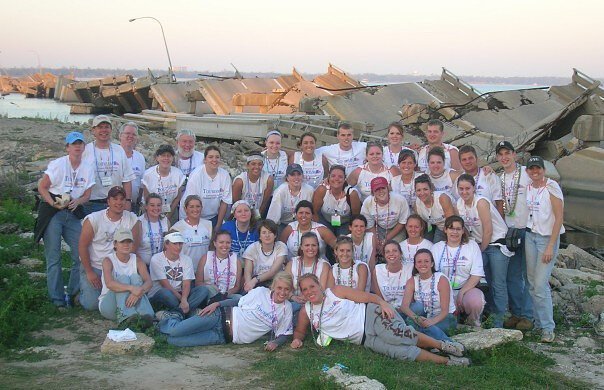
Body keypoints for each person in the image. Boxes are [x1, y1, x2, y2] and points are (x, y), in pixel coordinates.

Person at [291, 274, 469, 366]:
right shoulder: (306, 311)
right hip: (364, 339)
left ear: (319, 285)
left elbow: (367, 296)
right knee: (400, 353)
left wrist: (382, 303)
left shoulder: (335, 291)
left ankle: (443, 345)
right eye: (304, 290)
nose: (309, 291)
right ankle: (449, 362)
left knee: (396, 335)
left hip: (371, 315)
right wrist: (297, 339)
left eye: (312, 286)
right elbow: (300, 330)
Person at [157, 271, 294, 350]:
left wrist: (275, 343)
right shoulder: (261, 292)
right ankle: (175, 315)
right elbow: (238, 302)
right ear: (274, 287)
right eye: (280, 288)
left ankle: (175, 322)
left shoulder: (286, 309)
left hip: (223, 337)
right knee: (175, 331)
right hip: (218, 317)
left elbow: (285, 334)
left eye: (286, 289)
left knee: (173, 341)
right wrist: (217, 304)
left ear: (290, 291)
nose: (282, 292)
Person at [36, 131, 94, 308]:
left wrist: (79, 201)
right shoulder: (58, 164)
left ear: (84, 147)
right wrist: (52, 203)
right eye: (73, 144)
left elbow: (87, 194)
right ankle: (57, 299)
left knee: (81, 254)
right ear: (67, 147)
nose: (77, 147)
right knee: (54, 257)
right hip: (54, 212)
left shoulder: (87, 166)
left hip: (73, 211)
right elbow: (42, 186)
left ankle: (72, 293)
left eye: (80, 144)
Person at [457, 173, 510, 328]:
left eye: (467, 188)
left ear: (474, 188)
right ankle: (482, 313)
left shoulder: (480, 202)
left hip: (495, 243)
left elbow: (488, 230)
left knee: (497, 283)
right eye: (461, 189)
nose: (464, 192)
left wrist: (479, 252)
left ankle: (498, 321)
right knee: (479, 280)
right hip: (478, 244)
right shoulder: (459, 204)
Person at [78, 186, 141, 311]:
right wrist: (89, 272)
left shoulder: (132, 219)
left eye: (122, 199)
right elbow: (82, 246)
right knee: (91, 305)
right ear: (108, 201)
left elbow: (134, 247)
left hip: (118, 267)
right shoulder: (93, 219)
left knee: (125, 297)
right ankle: (80, 293)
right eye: (115, 199)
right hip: (96, 266)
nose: (119, 202)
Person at [524, 156, 564, 343]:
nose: (535, 172)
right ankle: (538, 323)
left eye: (538, 168)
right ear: (528, 171)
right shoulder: (529, 187)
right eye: (531, 169)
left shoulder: (552, 187)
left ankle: (548, 328)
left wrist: (550, 245)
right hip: (530, 236)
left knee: (541, 284)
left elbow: (559, 218)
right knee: (532, 283)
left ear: (543, 169)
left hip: (547, 239)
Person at [496, 141, 533, 331]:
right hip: (509, 232)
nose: (504, 157)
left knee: (528, 275)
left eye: (507, 153)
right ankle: (517, 313)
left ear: (514, 154)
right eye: (501, 154)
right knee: (512, 275)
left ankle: (528, 316)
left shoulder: (527, 174)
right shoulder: (498, 178)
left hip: (527, 229)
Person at [432, 216, 486, 327]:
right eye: (451, 228)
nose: (454, 232)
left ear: (463, 231)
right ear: (445, 230)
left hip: (466, 289)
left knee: (475, 302)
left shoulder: (472, 246)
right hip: (443, 291)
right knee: (449, 322)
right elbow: (433, 274)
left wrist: (461, 293)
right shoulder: (437, 248)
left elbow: (476, 274)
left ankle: (472, 324)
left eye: (458, 229)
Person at [98, 229, 154, 326]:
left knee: (135, 278)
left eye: (129, 242)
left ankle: (146, 315)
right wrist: (132, 288)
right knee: (123, 278)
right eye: (122, 242)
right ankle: (127, 318)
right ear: (115, 244)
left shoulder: (137, 260)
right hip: (110, 305)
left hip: (133, 302)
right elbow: (109, 284)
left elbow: (149, 282)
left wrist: (138, 292)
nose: (126, 245)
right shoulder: (108, 260)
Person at [82, 115, 135, 215]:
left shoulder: (119, 150)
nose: (104, 130)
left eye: (106, 127)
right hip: (91, 204)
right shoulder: (85, 151)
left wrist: (127, 202)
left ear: (111, 130)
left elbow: (127, 180)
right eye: (100, 127)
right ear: (93, 130)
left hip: (116, 203)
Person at [400, 249, 456, 341]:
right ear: (415, 265)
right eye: (419, 262)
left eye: (426, 261)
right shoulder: (412, 281)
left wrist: (430, 322)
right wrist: (416, 319)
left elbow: (445, 311)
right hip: (424, 317)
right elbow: (404, 307)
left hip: (444, 317)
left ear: (432, 264)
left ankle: (448, 344)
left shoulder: (441, 280)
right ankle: (425, 338)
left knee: (426, 328)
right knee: (417, 307)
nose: (423, 264)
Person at [148, 232, 208, 314]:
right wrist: (182, 301)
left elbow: (186, 283)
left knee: (203, 290)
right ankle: (186, 312)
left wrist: (184, 300)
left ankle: (179, 312)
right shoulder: (156, 259)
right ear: (166, 244)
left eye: (180, 243)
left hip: (181, 293)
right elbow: (165, 284)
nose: (178, 247)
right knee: (165, 293)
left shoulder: (187, 259)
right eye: (175, 244)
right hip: (162, 293)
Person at [180, 145, 232, 229]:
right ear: (205, 160)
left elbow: (224, 202)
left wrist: (218, 225)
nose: (214, 160)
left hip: (214, 216)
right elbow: (191, 203)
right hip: (194, 215)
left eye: (217, 157)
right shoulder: (196, 175)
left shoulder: (225, 175)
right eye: (210, 157)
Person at [361, 177, 409, 252]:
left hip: (396, 228)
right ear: (372, 192)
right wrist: (376, 241)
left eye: (383, 188)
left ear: (388, 188)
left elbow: (402, 222)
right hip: (378, 228)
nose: (380, 191)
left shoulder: (400, 200)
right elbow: (370, 225)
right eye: (377, 189)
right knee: (373, 246)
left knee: (395, 249)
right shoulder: (367, 203)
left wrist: (386, 239)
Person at [312, 165, 361, 237]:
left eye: (340, 177)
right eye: (333, 176)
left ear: (345, 179)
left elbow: (356, 216)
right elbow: (314, 211)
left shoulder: (352, 194)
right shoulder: (322, 190)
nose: (336, 179)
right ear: (328, 177)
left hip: (345, 222)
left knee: (343, 241)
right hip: (325, 220)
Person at [285, 232, 331, 307]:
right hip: (294, 302)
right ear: (301, 247)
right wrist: (292, 297)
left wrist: (307, 297)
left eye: (313, 245)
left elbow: (322, 289)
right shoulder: (291, 263)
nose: (310, 248)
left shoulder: (324, 265)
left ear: (318, 247)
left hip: (315, 303)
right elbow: (285, 286)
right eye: (307, 245)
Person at [142, 144, 185, 223]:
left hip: (171, 210)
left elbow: (178, 197)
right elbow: (147, 199)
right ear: (157, 158)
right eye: (163, 155)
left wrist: (168, 217)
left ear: (172, 158)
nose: (166, 158)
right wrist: (155, 216)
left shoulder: (178, 174)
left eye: (169, 156)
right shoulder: (148, 175)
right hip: (151, 211)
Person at [242, 219, 288, 292]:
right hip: (256, 283)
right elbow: (248, 272)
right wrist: (249, 284)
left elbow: (272, 272)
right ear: (259, 236)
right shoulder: (252, 248)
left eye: (270, 232)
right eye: (264, 232)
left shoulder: (281, 247)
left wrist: (255, 280)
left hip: (275, 281)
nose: (267, 235)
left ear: (275, 235)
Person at [196, 230, 242, 300]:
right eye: (221, 242)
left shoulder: (236, 261)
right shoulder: (205, 258)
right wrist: (212, 288)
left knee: (239, 298)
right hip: (209, 294)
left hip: (227, 295)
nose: (225, 245)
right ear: (215, 243)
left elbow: (237, 286)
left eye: (228, 243)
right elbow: (198, 283)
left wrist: (225, 295)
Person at [458, 145, 503, 216]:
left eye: (470, 158)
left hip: (491, 221)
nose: (468, 162)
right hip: (471, 224)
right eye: (464, 159)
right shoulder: (459, 180)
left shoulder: (489, 176)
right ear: (460, 162)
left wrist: (502, 222)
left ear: (476, 159)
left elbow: (499, 202)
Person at [266, 163, 314, 231]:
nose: (296, 177)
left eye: (299, 174)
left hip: (302, 223)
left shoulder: (309, 190)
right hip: (283, 224)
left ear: (302, 176)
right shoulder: (280, 191)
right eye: (292, 175)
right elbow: (273, 217)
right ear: (287, 178)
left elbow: (311, 213)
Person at [171, 195, 212, 272]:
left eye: (198, 206)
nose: (195, 209)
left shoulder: (209, 225)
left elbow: (211, 249)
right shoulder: (177, 228)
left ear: (201, 208)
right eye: (191, 207)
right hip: (185, 271)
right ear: (185, 209)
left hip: (204, 270)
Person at [414, 174, 455, 243]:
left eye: (425, 189)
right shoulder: (416, 205)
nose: (422, 193)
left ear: (431, 189)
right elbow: (422, 225)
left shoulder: (442, 198)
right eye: (418, 190)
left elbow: (452, 222)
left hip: (452, 227)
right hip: (436, 227)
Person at [232, 151, 274, 219]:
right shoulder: (240, 181)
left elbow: (264, 203)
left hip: (258, 213)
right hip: (242, 213)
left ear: (263, 165)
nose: (257, 167)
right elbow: (236, 204)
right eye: (253, 164)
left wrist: (258, 216)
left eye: (260, 164)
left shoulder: (268, 180)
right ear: (247, 165)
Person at [119, 122, 145, 214]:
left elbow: (142, 183)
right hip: (114, 204)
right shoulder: (114, 154)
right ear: (120, 136)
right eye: (127, 133)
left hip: (133, 205)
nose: (130, 136)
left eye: (134, 134)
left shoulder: (140, 157)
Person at [372, 240, 407, 310]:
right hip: (385, 308)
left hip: (405, 308)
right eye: (387, 252)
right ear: (384, 255)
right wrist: (386, 307)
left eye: (394, 251)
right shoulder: (378, 269)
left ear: (400, 253)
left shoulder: (409, 269)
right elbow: (378, 296)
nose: (391, 254)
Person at [136, 193, 170, 266]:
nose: (156, 208)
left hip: (162, 265)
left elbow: (169, 245)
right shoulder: (139, 222)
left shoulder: (165, 221)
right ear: (146, 207)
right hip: (144, 265)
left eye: (158, 205)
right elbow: (133, 250)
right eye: (152, 205)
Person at [391, 149, 421, 215]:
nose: (406, 166)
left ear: (415, 164)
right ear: (399, 164)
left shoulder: (421, 177)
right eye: (403, 162)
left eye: (410, 163)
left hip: (421, 215)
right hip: (401, 216)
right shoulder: (394, 181)